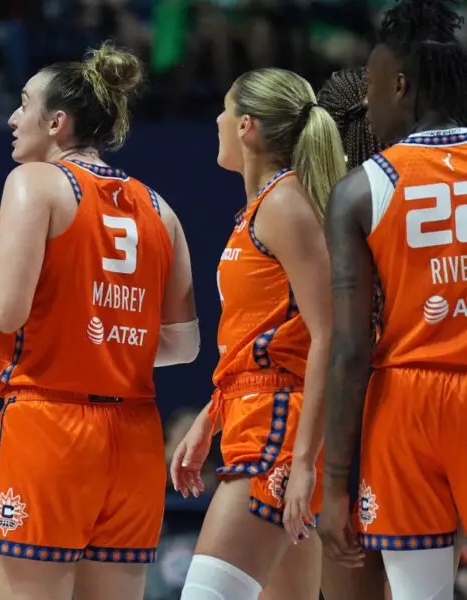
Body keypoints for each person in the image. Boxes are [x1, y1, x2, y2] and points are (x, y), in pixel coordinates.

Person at [0, 42, 199, 600]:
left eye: (24, 104)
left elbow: (6, 310)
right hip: (135, 438)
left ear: (57, 122)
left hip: (50, 428)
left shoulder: (33, 182)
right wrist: (103, 343)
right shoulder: (160, 207)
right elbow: (183, 345)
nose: (12, 118)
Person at [172, 67, 346, 600]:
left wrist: (301, 463)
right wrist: (210, 416)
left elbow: (329, 338)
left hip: (276, 431)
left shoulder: (286, 206)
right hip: (253, 417)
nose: (217, 121)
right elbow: (258, 343)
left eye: (225, 111)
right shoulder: (264, 206)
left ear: (246, 126)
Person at [319, 0, 467, 597]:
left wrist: (334, 488)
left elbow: (352, 349)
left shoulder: (360, 189)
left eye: (374, 86)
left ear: (401, 87)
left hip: (404, 404)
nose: (367, 103)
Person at [316, 66, 390, 600]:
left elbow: (338, 348)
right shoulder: (408, 192)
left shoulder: (333, 207)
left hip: (346, 424)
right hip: (413, 408)